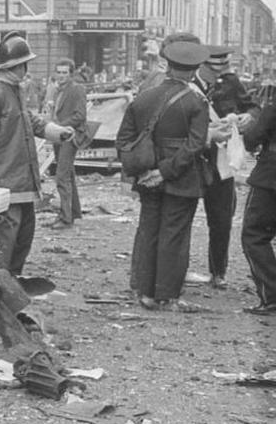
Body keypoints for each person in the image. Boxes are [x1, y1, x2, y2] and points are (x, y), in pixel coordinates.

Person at [115, 33, 211, 311]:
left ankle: (144, 292)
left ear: (167, 65)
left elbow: (123, 141)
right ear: (194, 70)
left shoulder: (144, 98)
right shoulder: (196, 101)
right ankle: (167, 296)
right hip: (182, 178)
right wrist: (166, 171)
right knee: (174, 235)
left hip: (146, 177)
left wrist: (145, 169)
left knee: (148, 230)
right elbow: (195, 146)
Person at [0, 32, 73, 276]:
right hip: (7, 182)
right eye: (24, 64)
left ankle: (11, 284)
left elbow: (30, 121)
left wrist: (57, 132)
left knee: (22, 239)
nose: (26, 69)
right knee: (5, 243)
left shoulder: (13, 90)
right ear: (16, 66)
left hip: (22, 181)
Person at [189, 47, 258, 288]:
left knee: (221, 220)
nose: (217, 74)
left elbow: (251, 106)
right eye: (212, 69)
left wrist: (248, 116)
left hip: (221, 160)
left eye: (222, 69)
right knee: (182, 217)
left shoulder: (230, 82)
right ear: (201, 66)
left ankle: (218, 271)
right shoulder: (189, 84)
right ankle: (177, 269)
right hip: (192, 159)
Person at [241, 85, 276, 315]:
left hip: (270, 178)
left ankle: (271, 295)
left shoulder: (273, 106)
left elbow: (253, 138)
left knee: (254, 235)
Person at [48, 58, 89, 229]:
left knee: (61, 177)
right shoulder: (58, 90)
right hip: (60, 136)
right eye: (59, 72)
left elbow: (80, 115)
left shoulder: (77, 89)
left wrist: (60, 126)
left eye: (65, 73)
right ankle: (73, 212)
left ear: (71, 74)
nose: (61, 76)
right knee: (68, 175)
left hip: (70, 135)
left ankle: (65, 218)